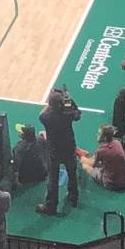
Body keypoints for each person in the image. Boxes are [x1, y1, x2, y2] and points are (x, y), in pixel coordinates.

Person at [35, 87, 81, 215]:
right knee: (72, 173)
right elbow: (77, 114)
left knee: (52, 178)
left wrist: (52, 101)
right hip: (69, 146)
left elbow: (41, 113)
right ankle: (73, 197)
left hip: (54, 150)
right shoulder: (67, 115)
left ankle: (51, 206)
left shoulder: (46, 117)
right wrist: (68, 100)